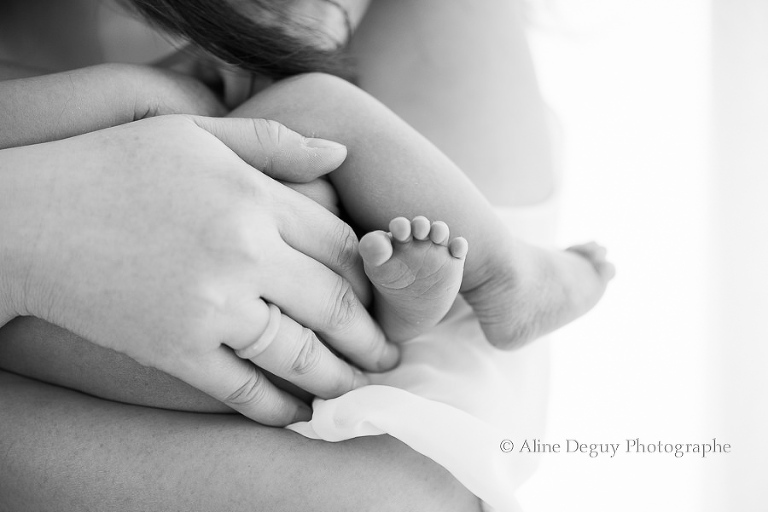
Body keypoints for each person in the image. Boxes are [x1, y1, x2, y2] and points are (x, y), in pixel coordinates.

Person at [0, 0, 586, 509]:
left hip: (127, 355)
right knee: (313, 109)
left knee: (314, 181)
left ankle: (402, 304)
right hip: (180, 341)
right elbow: (132, 104)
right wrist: (177, 87)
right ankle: (495, 276)